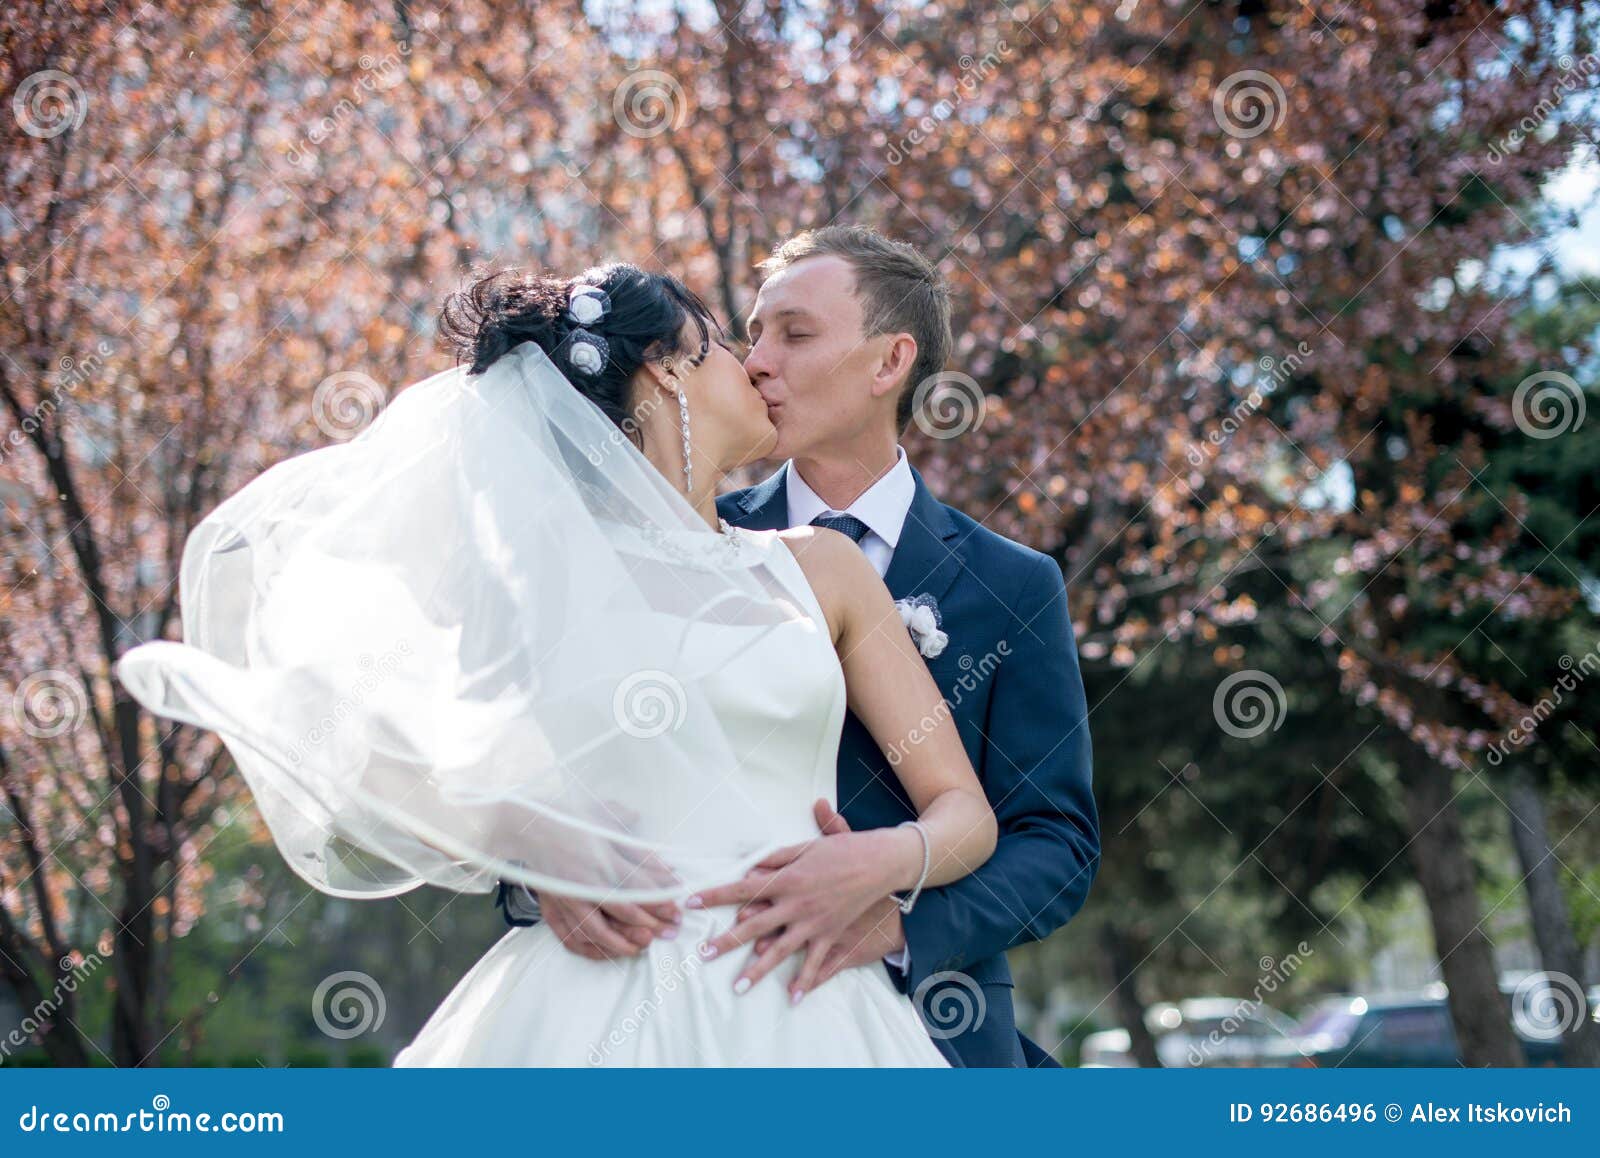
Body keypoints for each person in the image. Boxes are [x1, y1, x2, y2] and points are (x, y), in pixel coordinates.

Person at [115, 262, 996, 1066]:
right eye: (724, 345)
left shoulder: (824, 569)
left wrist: (880, 862)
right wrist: (532, 842)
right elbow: (373, 742)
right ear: (667, 373)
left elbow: (964, 811)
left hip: (812, 1008)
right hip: (593, 1003)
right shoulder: (539, 583)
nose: (756, 367)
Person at [500, 227, 1100, 1067]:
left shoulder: (1013, 586)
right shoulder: (679, 544)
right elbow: (531, 754)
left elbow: (1056, 840)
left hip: (927, 1029)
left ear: (890, 362)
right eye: (750, 335)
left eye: (795, 333)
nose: (757, 361)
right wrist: (543, 864)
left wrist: (895, 921)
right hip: (660, 1007)